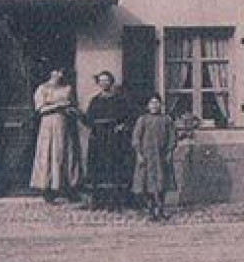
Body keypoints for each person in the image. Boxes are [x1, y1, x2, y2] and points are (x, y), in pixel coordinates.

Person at [83, 71, 134, 210]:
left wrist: (121, 126)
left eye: (106, 80)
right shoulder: (95, 100)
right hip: (98, 137)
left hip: (114, 138)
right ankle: (99, 200)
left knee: (114, 166)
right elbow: (88, 119)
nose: (104, 83)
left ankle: (115, 200)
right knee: (99, 166)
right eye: (101, 81)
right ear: (98, 83)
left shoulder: (119, 99)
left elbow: (128, 116)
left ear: (111, 82)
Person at [29, 68, 81, 202]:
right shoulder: (42, 89)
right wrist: (57, 106)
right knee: (48, 153)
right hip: (48, 125)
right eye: (56, 72)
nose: (60, 75)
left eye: (62, 72)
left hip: (65, 125)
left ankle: (67, 187)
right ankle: (48, 188)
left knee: (65, 152)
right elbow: (40, 108)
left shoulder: (68, 88)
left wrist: (69, 109)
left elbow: (73, 105)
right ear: (50, 73)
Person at [131, 95, 178, 221]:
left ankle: (161, 209)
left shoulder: (166, 120)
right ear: (148, 106)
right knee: (146, 184)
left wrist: (169, 153)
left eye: (157, 103)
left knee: (162, 183)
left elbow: (172, 138)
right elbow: (136, 138)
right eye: (152, 103)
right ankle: (151, 210)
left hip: (161, 156)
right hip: (146, 157)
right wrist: (139, 155)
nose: (154, 105)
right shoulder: (143, 120)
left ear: (161, 105)